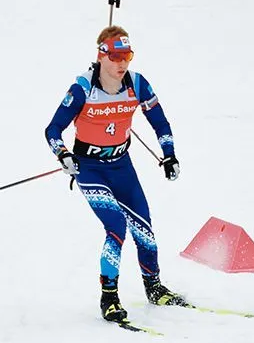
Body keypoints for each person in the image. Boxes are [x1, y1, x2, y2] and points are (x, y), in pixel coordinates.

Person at [42, 26, 185, 323]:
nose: (122, 64)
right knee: (117, 226)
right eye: (116, 56)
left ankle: (154, 287)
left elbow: (160, 122)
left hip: (122, 166)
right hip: (90, 168)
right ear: (102, 55)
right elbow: (53, 129)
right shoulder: (83, 88)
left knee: (145, 231)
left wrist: (168, 154)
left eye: (127, 56)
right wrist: (63, 154)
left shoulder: (137, 84)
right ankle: (109, 298)